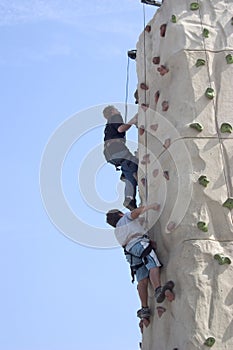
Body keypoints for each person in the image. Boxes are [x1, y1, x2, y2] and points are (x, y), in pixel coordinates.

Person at [106, 204, 175, 323]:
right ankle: (158, 289)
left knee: (142, 281)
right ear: (120, 214)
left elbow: (135, 225)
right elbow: (136, 213)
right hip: (139, 245)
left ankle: (144, 309)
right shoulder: (125, 218)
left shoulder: (117, 230)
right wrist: (150, 206)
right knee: (153, 265)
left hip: (130, 253)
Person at [103, 105, 138, 210]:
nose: (118, 111)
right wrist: (133, 120)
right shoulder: (115, 117)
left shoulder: (108, 125)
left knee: (132, 164)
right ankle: (129, 199)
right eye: (116, 109)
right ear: (112, 111)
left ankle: (124, 173)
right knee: (133, 167)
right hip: (117, 150)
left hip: (110, 154)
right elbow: (121, 129)